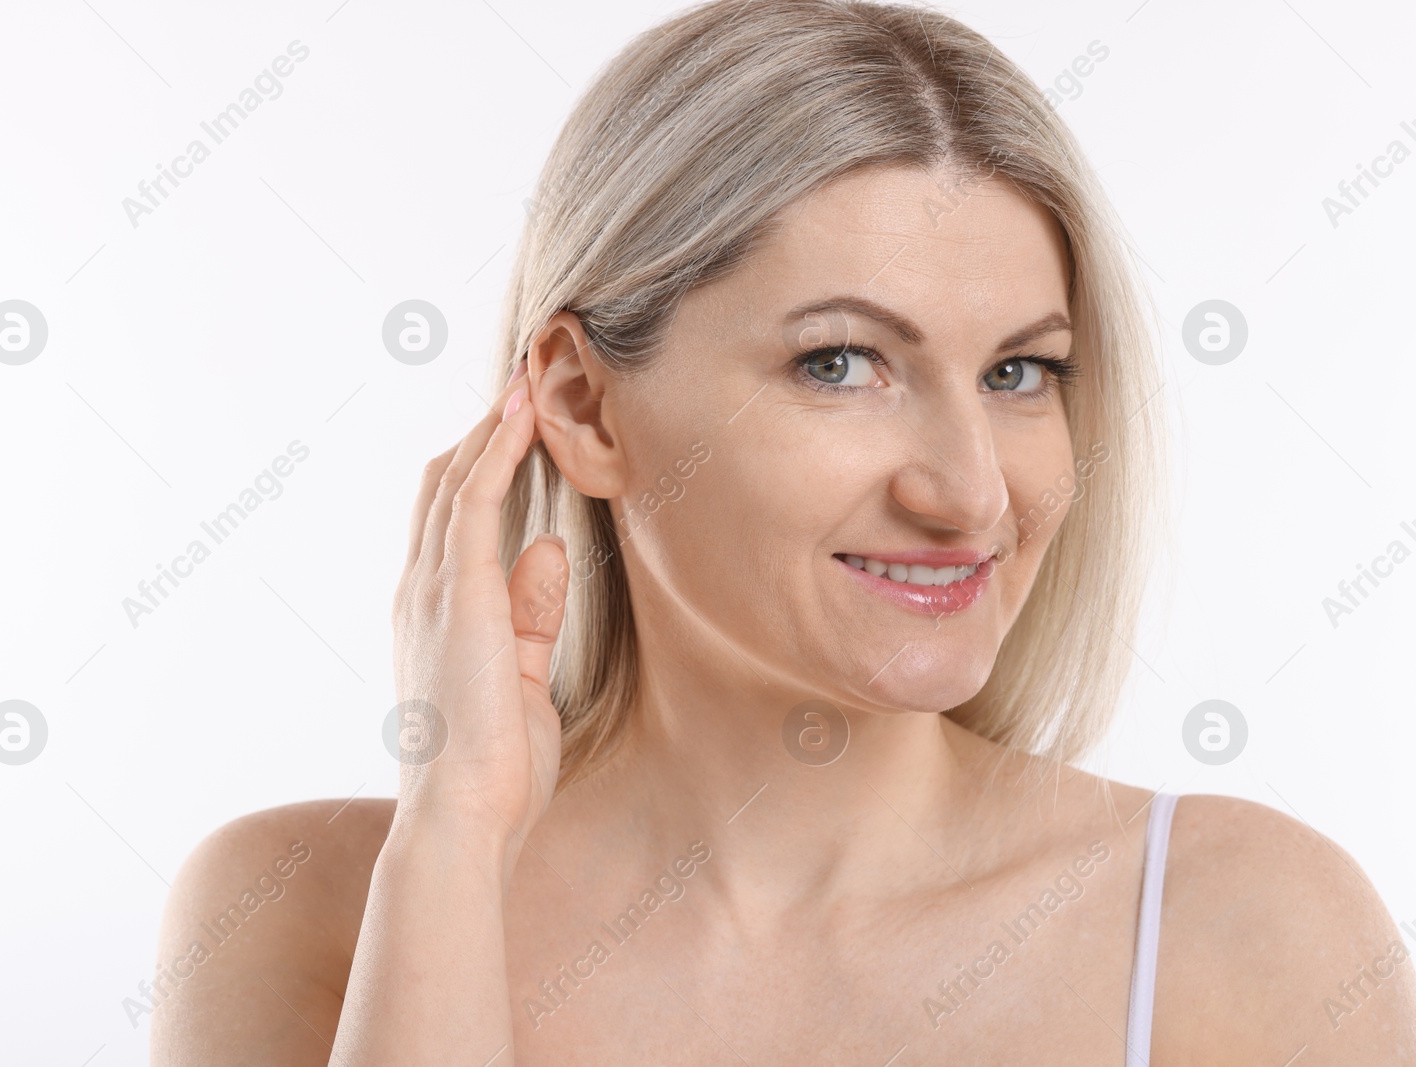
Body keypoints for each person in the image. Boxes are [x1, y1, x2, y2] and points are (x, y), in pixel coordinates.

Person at [150, 2, 1416, 1063]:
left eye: (1021, 373)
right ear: (586, 405)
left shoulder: (1242, 926)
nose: (969, 493)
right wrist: (449, 838)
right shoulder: (296, 910)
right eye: (842, 361)